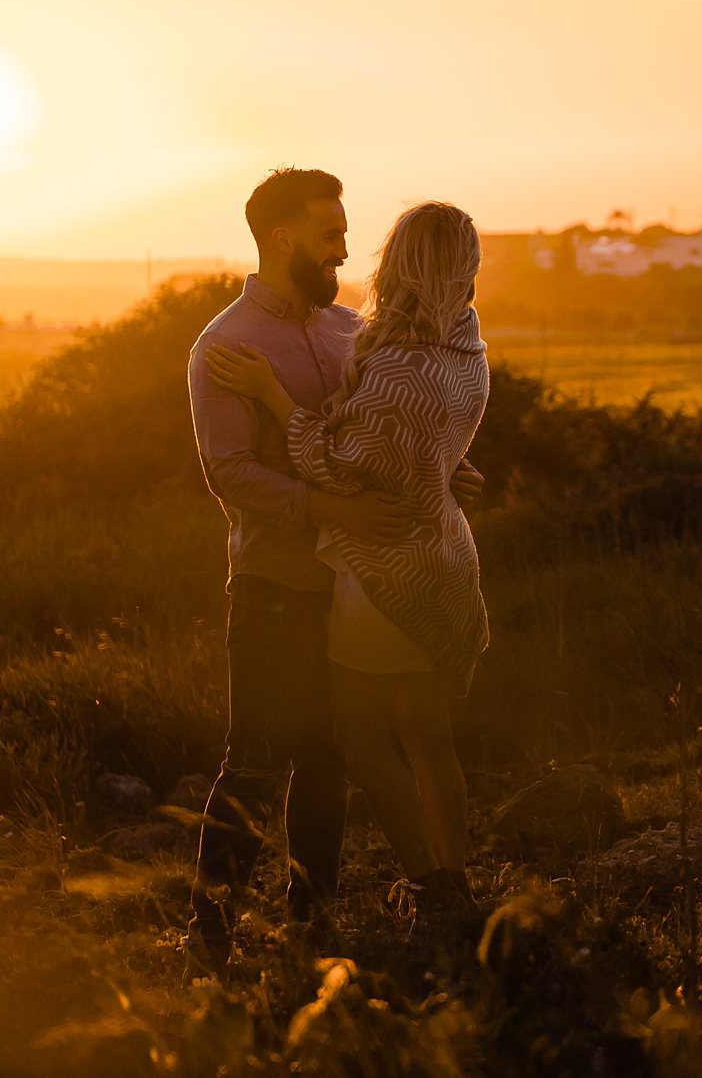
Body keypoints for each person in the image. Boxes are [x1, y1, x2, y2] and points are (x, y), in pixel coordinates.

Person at [184, 169, 483, 967]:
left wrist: (443, 471)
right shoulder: (224, 346)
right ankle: (208, 930)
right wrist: (331, 511)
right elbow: (230, 472)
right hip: (275, 584)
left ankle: (309, 924)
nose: (346, 248)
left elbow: (378, 440)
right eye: (331, 234)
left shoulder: (355, 330)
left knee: (326, 764)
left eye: (346, 233)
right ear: (281, 238)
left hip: (355, 588)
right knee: (254, 761)